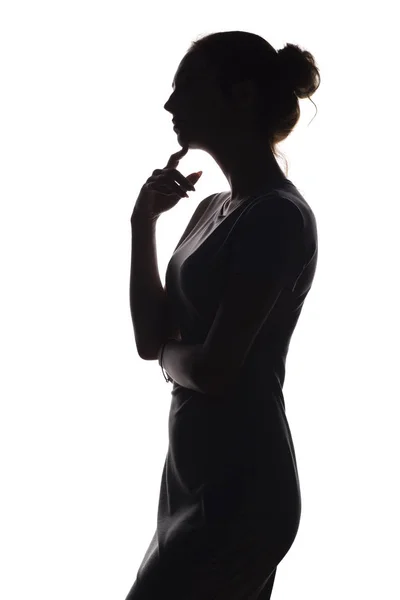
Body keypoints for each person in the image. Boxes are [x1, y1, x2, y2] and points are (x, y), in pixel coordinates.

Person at [125, 30, 320, 600]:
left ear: (238, 95)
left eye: (185, 88)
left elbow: (214, 369)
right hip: (189, 475)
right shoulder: (211, 207)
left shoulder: (278, 217)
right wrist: (143, 225)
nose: (170, 105)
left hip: (242, 487)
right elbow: (148, 338)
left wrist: (169, 356)